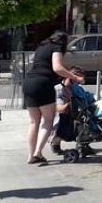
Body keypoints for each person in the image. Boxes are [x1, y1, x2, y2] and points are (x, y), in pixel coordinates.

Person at [23, 31, 83, 165]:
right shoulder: (56, 48)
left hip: (29, 83)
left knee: (34, 122)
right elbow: (57, 67)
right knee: (48, 121)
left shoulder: (41, 47)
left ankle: (30, 156)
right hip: (43, 84)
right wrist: (75, 77)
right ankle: (38, 152)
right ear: (63, 41)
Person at [51, 66, 86, 156]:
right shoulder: (59, 88)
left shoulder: (74, 87)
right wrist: (70, 102)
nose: (77, 82)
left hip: (72, 113)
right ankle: (55, 144)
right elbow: (59, 108)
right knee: (63, 123)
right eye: (76, 79)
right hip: (61, 115)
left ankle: (84, 144)